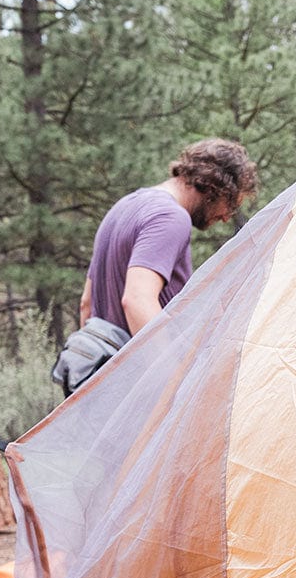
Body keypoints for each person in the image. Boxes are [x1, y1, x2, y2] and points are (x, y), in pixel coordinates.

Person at [52, 138, 259, 394]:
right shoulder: (171, 217)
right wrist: (172, 384)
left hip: (98, 378)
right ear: (216, 187)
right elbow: (137, 300)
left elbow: (87, 303)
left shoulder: (125, 206)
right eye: (231, 204)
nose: (226, 217)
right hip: (132, 386)